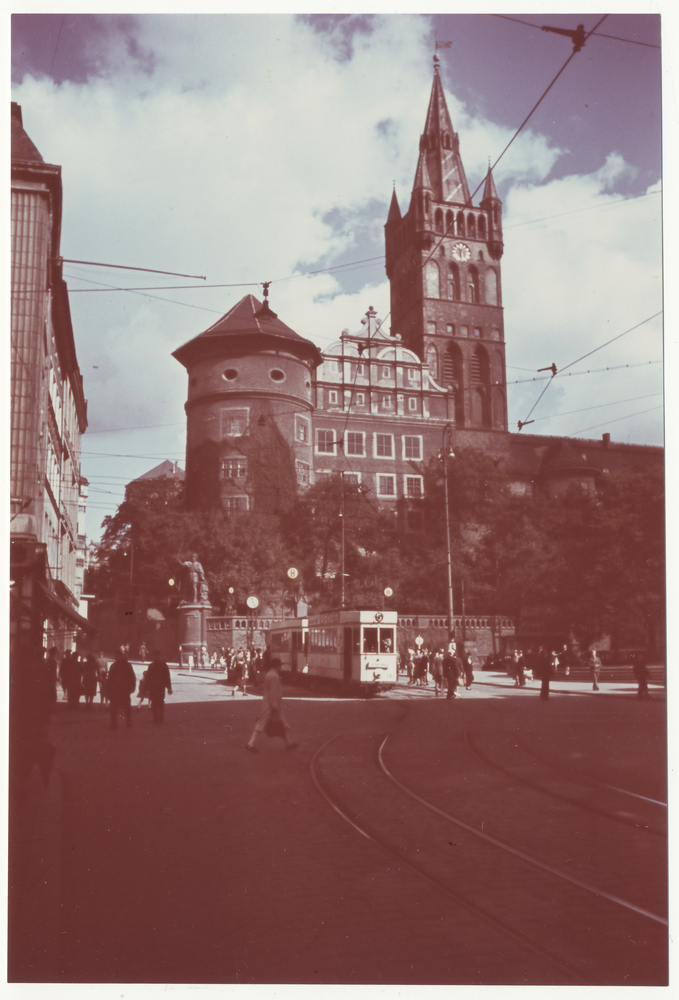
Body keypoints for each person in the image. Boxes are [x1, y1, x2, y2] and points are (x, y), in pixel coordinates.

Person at [246, 657, 298, 752]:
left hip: (269, 702)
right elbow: (273, 692)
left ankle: (288, 743)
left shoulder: (269, 674)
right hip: (271, 704)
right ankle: (250, 743)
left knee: (278, 722)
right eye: (280, 666)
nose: (281, 668)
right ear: (277, 666)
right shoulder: (274, 676)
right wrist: (274, 705)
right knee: (262, 723)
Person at [107, 647, 137, 729]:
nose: (116, 657)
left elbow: (132, 677)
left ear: (121, 656)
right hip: (115, 691)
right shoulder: (113, 666)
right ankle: (114, 724)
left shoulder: (127, 665)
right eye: (115, 656)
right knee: (113, 708)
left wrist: (132, 687)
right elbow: (110, 679)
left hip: (125, 690)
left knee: (126, 707)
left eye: (118, 656)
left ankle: (128, 722)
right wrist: (108, 690)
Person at [145, 654, 173, 724]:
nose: (156, 657)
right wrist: (169, 687)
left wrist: (169, 688)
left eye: (156, 656)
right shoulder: (154, 665)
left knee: (157, 702)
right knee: (157, 702)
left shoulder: (158, 665)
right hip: (157, 687)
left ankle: (158, 717)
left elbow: (167, 676)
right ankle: (158, 717)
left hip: (158, 687)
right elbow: (148, 677)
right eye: (155, 656)